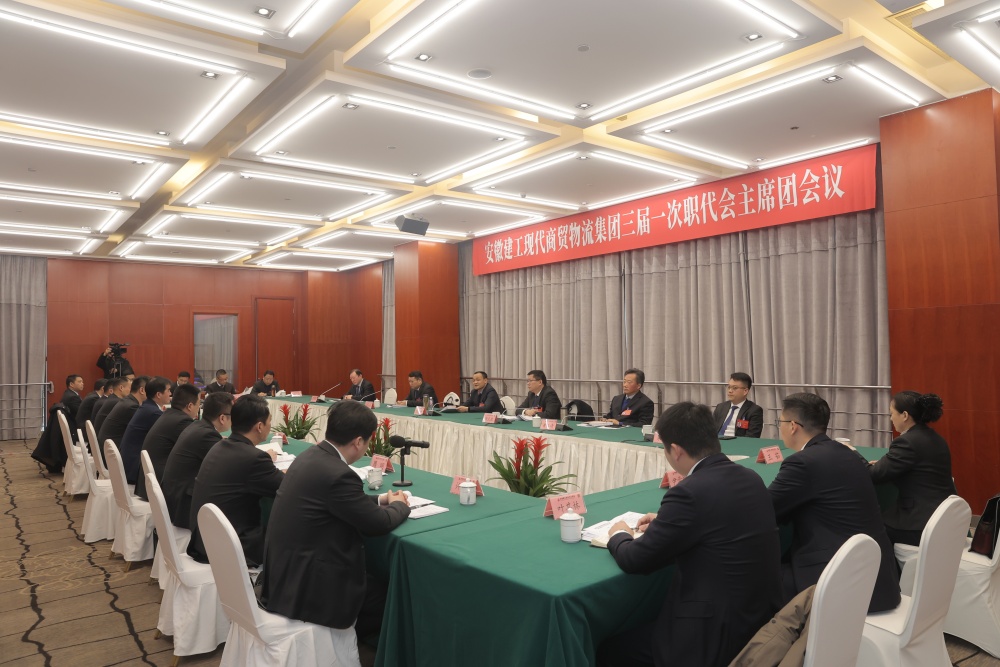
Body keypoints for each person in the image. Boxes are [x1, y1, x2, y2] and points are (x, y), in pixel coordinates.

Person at [598, 402, 782, 667]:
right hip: (758, 619)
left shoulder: (688, 492)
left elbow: (636, 560)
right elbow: (717, 518)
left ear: (676, 451)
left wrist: (619, 535)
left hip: (712, 636)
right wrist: (666, 521)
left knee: (608, 650)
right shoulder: (750, 477)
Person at [260, 401, 411, 645]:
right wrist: (400, 506)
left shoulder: (311, 456)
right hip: (310, 587)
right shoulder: (339, 474)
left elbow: (338, 501)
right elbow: (378, 524)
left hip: (285, 575)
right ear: (359, 442)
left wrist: (381, 499)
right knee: (395, 597)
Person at [768, 392, 900, 613]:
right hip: (879, 578)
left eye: (779, 422)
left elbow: (766, 509)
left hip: (840, 584)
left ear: (792, 426)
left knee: (757, 579)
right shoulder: (848, 453)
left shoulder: (802, 463)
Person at [187, 395, 284, 567]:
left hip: (204, 539)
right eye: (269, 421)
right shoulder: (254, 458)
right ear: (259, 426)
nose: (270, 425)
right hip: (231, 546)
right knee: (291, 538)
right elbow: (286, 487)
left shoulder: (219, 446)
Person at [870, 391, 955, 546]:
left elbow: (874, 474)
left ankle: (889, 563)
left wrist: (852, 453)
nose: (891, 419)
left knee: (872, 527)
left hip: (919, 524)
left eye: (892, 414)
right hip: (943, 517)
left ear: (904, 415)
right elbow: (918, 470)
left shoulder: (907, 442)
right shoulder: (936, 438)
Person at [161, 392, 234, 530]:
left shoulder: (198, 426)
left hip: (174, 496)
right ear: (222, 418)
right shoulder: (207, 434)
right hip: (183, 506)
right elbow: (230, 463)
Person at [134, 383, 200, 501]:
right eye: (198, 404)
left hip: (150, 483)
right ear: (190, 406)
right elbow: (197, 449)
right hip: (160, 487)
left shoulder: (169, 415)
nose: (198, 408)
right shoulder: (182, 421)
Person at [119, 376, 172, 485]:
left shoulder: (147, 407)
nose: (171, 393)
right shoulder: (153, 412)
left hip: (129, 463)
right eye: (168, 390)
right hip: (135, 468)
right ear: (159, 394)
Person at [97, 376, 149, 466]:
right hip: (113, 455)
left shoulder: (127, 401)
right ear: (142, 390)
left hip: (108, 448)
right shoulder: (131, 406)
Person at [712, 372, 764, 438]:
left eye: (735, 388)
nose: (730, 391)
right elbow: (710, 429)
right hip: (717, 442)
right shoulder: (720, 407)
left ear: (745, 391)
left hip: (738, 443)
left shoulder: (754, 410)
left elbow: (752, 437)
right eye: (729, 387)